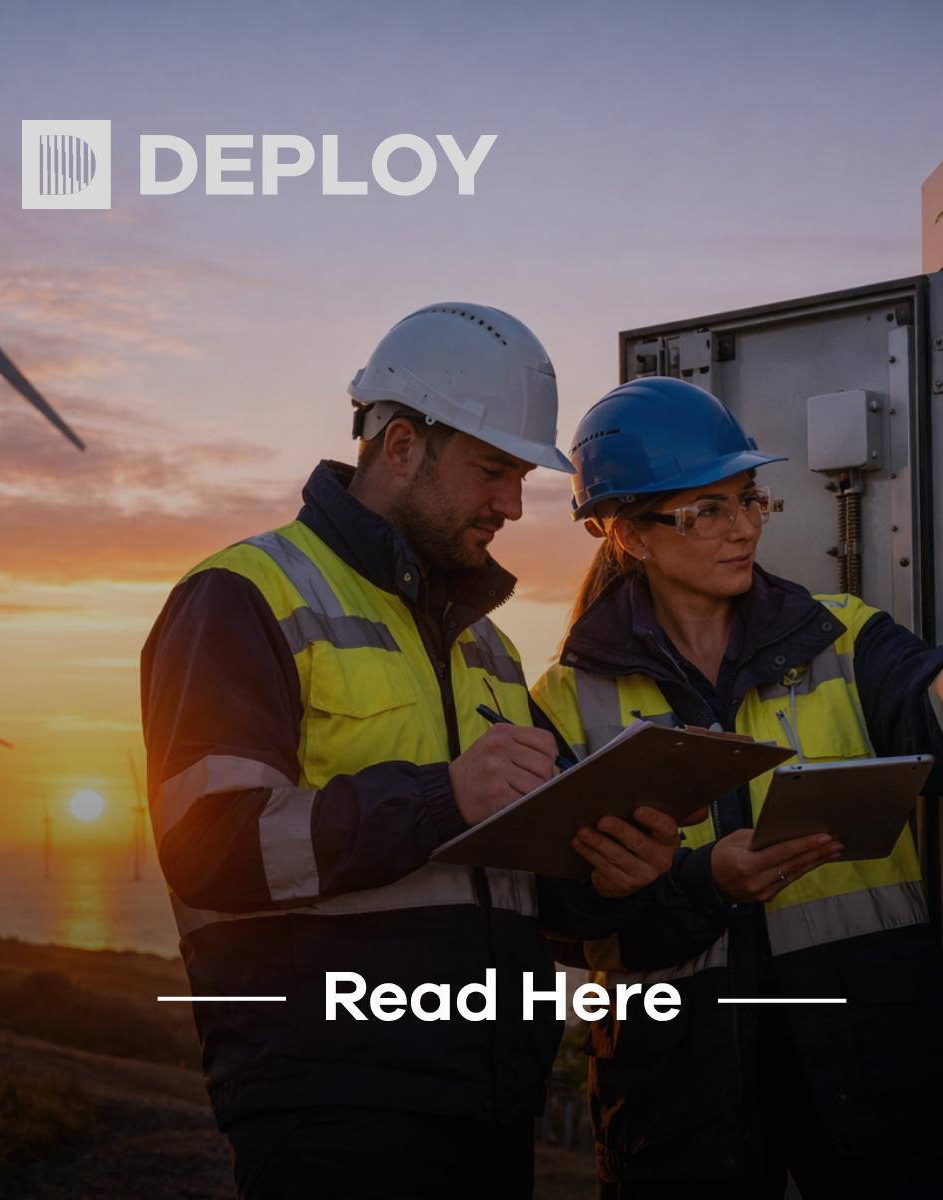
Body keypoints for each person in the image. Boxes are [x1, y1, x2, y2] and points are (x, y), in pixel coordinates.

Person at [140, 304, 691, 1200]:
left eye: (520, 478)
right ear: (399, 446)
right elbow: (210, 843)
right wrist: (442, 797)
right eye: (492, 471)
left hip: (488, 1104)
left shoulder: (489, 649)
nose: (512, 506)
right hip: (332, 1107)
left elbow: (519, 882)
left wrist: (605, 874)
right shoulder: (242, 597)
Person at [531, 377, 943, 1200]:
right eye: (706, 512)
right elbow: (562, 915)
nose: (743, 530)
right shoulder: (565, 702)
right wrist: (705, 885)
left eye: (749, 500)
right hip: (684, 1104)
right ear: (627, 536)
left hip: (876, 1072)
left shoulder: (843, 638)